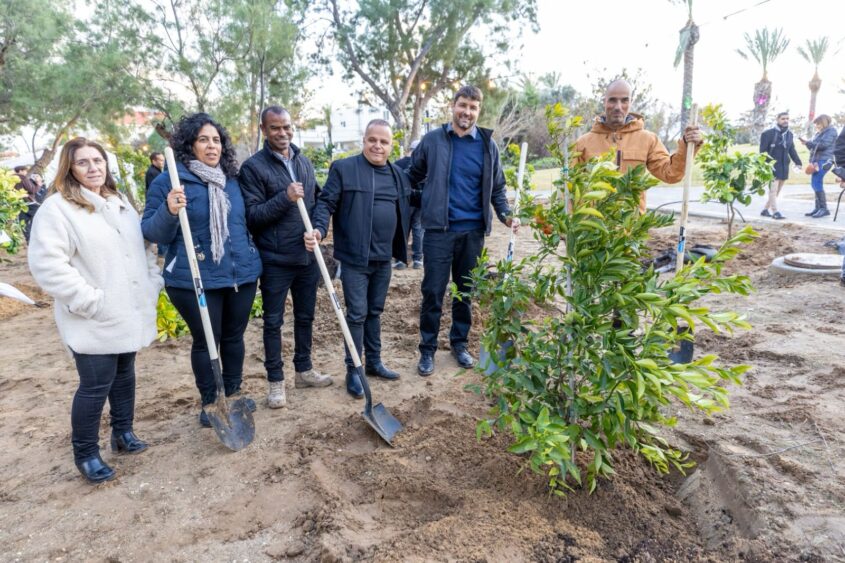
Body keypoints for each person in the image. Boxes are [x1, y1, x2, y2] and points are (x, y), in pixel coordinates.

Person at [27, 137, 161, 483]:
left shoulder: (117, 203)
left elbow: (143, 246)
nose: (93, 168)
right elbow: (48, 265)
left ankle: (123, 433)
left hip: (126, 309)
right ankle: (86, 453)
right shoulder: (58, 209)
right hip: (94, 315)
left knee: (125, 373)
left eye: (98, 161)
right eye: (83, 162)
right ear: (68, 168)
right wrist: (88, 300)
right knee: (95, 384)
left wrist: (151, 280)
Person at [142, 113, 263, 427]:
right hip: (193, 277)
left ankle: (233, 395)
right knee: (207, 339)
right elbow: (152, 233)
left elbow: (247, 220)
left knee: (234, 337)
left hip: (240, 273)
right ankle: (211, 402)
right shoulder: (169, 181)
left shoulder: (232, 179)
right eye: (203, 140)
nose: (212, 146)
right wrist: (169, 210)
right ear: (189, 144)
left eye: (216, 140)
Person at [408, 85, 519, 377]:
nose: (467, 112)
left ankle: (459, 344)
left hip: (473, 233)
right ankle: (428, 350)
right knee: (432, 292)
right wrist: (425, 200)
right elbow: (412, 176)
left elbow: (497, 188)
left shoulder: (486, 145)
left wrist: (506, 215)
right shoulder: (433, 141)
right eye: (463, 106)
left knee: (464, 292)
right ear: (452, 106)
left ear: (478, 111)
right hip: (437, 233)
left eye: (473, 107)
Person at [303, 119, 411, 398]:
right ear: (364, 140)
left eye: (384, 141)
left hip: (383, 258)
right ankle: (354, 368)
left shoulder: (397, 175)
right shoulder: (345, 169)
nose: (378, 145)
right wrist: (318, 227)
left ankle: (374, 362)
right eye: (372, 140)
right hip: (354, 259)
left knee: (375, 311)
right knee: (357, 314)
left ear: (390, 145)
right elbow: (326, 202)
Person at [239, 106, 332, 409]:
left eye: (287, 127)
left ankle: (303, 370)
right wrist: (285, 197)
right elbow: (252, 216)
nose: (283, 133)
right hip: (276, 259)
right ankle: (276, 382)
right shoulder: (253, 168)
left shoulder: (303, 162)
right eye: (275, 128)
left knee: (306, 317)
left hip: (306, 255)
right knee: (273, 322)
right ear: (264, 130)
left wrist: (318, 230)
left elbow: (318, 203)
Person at [574, 79, 703, 211]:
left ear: (631, 102)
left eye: (624, 100)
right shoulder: (583, 143)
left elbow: (671, 174)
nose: (618, 107)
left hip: (632, 227)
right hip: (594, 226)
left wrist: (687, 146)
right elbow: (570, 187)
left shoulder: (647, 139)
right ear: (604, 101)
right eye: (613, 100)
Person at [759, 112, 802, 219]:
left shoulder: (789, 135)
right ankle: (775, 212)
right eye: (783, 118)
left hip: (784, 166)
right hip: (772, 166)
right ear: (777, 119)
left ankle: (765, 209)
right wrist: (767, 165)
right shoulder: (767, 134)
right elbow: (762, 152)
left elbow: (792, 150)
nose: (785, 120)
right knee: (773, 190)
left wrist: (798, 162)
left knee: (778, 190)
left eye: (787, 118)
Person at [799, 114, 838, 218]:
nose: (816, 125)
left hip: (825, 161)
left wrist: (809, 143)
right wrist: (807, 143)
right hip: (816, 161)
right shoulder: (819, 133)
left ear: (824, 122)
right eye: (815, 123)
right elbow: (814, 148)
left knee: (816, 182)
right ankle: (818, 208)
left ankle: (824, 209)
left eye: (818, 123)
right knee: (815, 183)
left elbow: (823, 146)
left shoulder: (831, 131)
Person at [393, 139, 424, 270]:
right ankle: (418, 260)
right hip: (419, 201)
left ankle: (401, 260)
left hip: (403, 201)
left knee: (403, 228)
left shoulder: (397, 164)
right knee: (418, 229)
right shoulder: (422, 165)